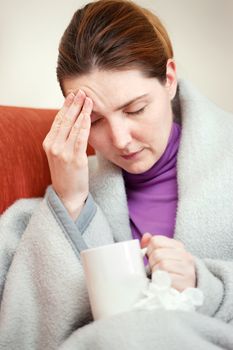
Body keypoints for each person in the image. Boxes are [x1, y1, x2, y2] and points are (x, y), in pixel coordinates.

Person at [1, 0, 233, 349]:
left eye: (136, 109)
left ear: (169, 80)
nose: (121, 141)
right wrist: (71, 199)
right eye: (95, 121)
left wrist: (204, 283)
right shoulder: (80, 189)